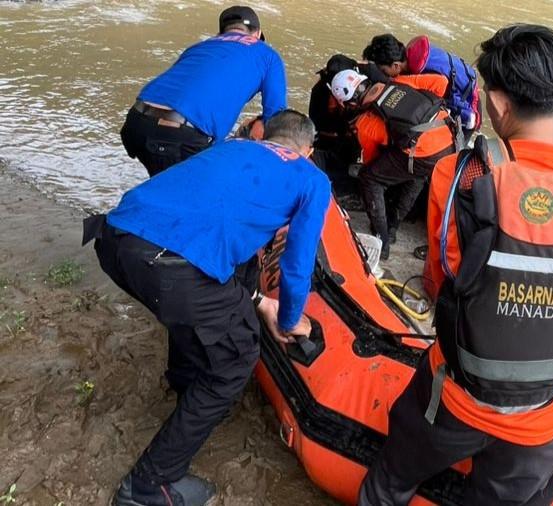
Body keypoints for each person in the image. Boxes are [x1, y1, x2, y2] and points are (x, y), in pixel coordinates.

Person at [358, 25, 553, 506]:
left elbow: (441, 282)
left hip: (457, 396)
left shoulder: (462, 172)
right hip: (549, 418)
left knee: (388, 483)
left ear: (499, 103)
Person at [85, 110, 330, 506]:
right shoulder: (311, 178)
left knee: (201, 307)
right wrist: (287, 319)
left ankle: (184, 382)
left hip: (112, 239)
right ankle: (149, 485)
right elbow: (297, 264)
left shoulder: (233, 148)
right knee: (237, 358)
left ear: (264, 133)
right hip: (169, 267)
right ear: (309, 149)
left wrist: (258, 302)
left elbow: (225, 257)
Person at [120, 5, 287, 176]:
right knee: (202, 194)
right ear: (258, 34)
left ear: (221, 33)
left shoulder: (198, 47)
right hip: (179, 136)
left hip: (136, 123)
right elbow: (276, 119)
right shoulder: (268, 55)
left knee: (166, 187)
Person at [328, 68, 456, 260]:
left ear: (350, 103)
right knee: (416, 172)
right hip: (450, 135)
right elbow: (442, 83)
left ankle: (383, 238)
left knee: (370, 178)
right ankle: (394, 224)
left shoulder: (366, 123)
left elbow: (371, 162)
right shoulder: (400, 81)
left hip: (425, 155)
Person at [363, 34, 481, 135]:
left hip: (468, 107)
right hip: (467, 82)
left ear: (396, 66)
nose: (385, 75)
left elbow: (442, 85)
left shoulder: (421, 72)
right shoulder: (414, 54)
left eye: (384, 71)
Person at [308, 54, 389, 193]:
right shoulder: (321, 91)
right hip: (338, 133)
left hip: (372, 124)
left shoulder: (370, 72)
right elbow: (318, 123)